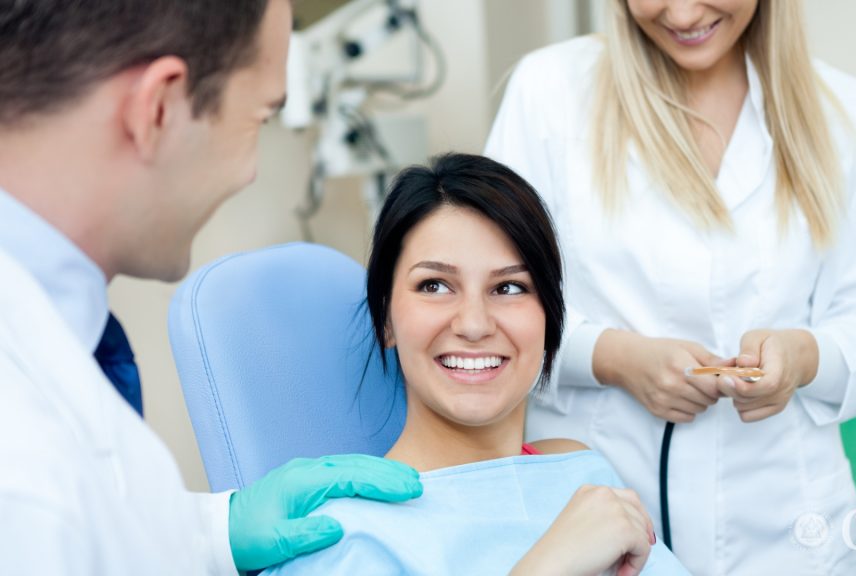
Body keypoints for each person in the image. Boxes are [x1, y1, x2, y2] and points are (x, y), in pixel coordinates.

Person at [484, 0, 856, 573]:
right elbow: (493, 302)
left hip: (791, 537)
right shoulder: (549, 91)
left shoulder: (842, 111)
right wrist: (614, 358)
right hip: (597, 522)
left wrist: (803, 357)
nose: (684, 12)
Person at [0, 1, 423, 573]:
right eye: (260, 118)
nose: (248, 172)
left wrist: (213, 532)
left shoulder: (47, 331)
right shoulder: (24, 471)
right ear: (159, 108)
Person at [264, 153, 688, 575]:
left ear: (550, 319)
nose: (474, 324)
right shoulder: (342, 539)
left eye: (508, 287)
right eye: (434, 285)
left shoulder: (582, 478)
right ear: (386, 320)